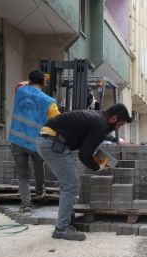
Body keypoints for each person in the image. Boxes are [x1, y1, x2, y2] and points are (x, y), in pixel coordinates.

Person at [36, 103, 132, 241]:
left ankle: (67, 215)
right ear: (114, 119)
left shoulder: (98, 117)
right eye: (120, 125)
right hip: (52, 142)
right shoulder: (101, 124)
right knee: (71, 185)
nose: (118, 128)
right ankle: (61, 228)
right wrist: (98, 167)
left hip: (52, 139)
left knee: (67, 183)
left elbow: (91, 140)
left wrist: (111, 147)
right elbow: (84, 155)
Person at [8, 70, 61, 213]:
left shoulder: (20, 91)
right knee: (39, 166)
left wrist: (30, 81)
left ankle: (26, 204)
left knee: (22, 175)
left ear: (30, 80)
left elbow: (21, 83)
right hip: (35, 142)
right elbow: (60, 121)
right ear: (43, 83)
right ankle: (39, 192)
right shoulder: (49, 101)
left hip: (17, 140)